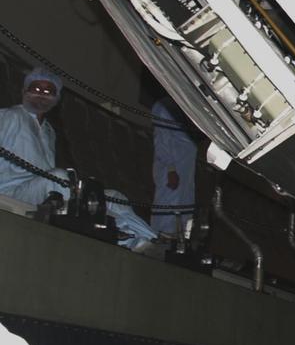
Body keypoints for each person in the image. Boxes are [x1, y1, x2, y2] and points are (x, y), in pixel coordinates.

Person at [0, 67, 158, 250]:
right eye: (35, 88)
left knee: (114, 196)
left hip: (46, 191)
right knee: (58, 177)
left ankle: (149, 240)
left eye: (48, 91)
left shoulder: (49, 131)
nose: (41, 94)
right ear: (24, 91)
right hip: (12, 192)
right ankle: (113, 232)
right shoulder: (8, 116)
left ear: (56, 98)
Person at [150, 98, 197, 237]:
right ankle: (162, 238)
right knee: (168, 206)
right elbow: (161, 140)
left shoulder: (182, 104)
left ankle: (180, 241)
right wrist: (171, 169)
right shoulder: (163, 107)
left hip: (186, 168)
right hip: (172, 168)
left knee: (184, 208)